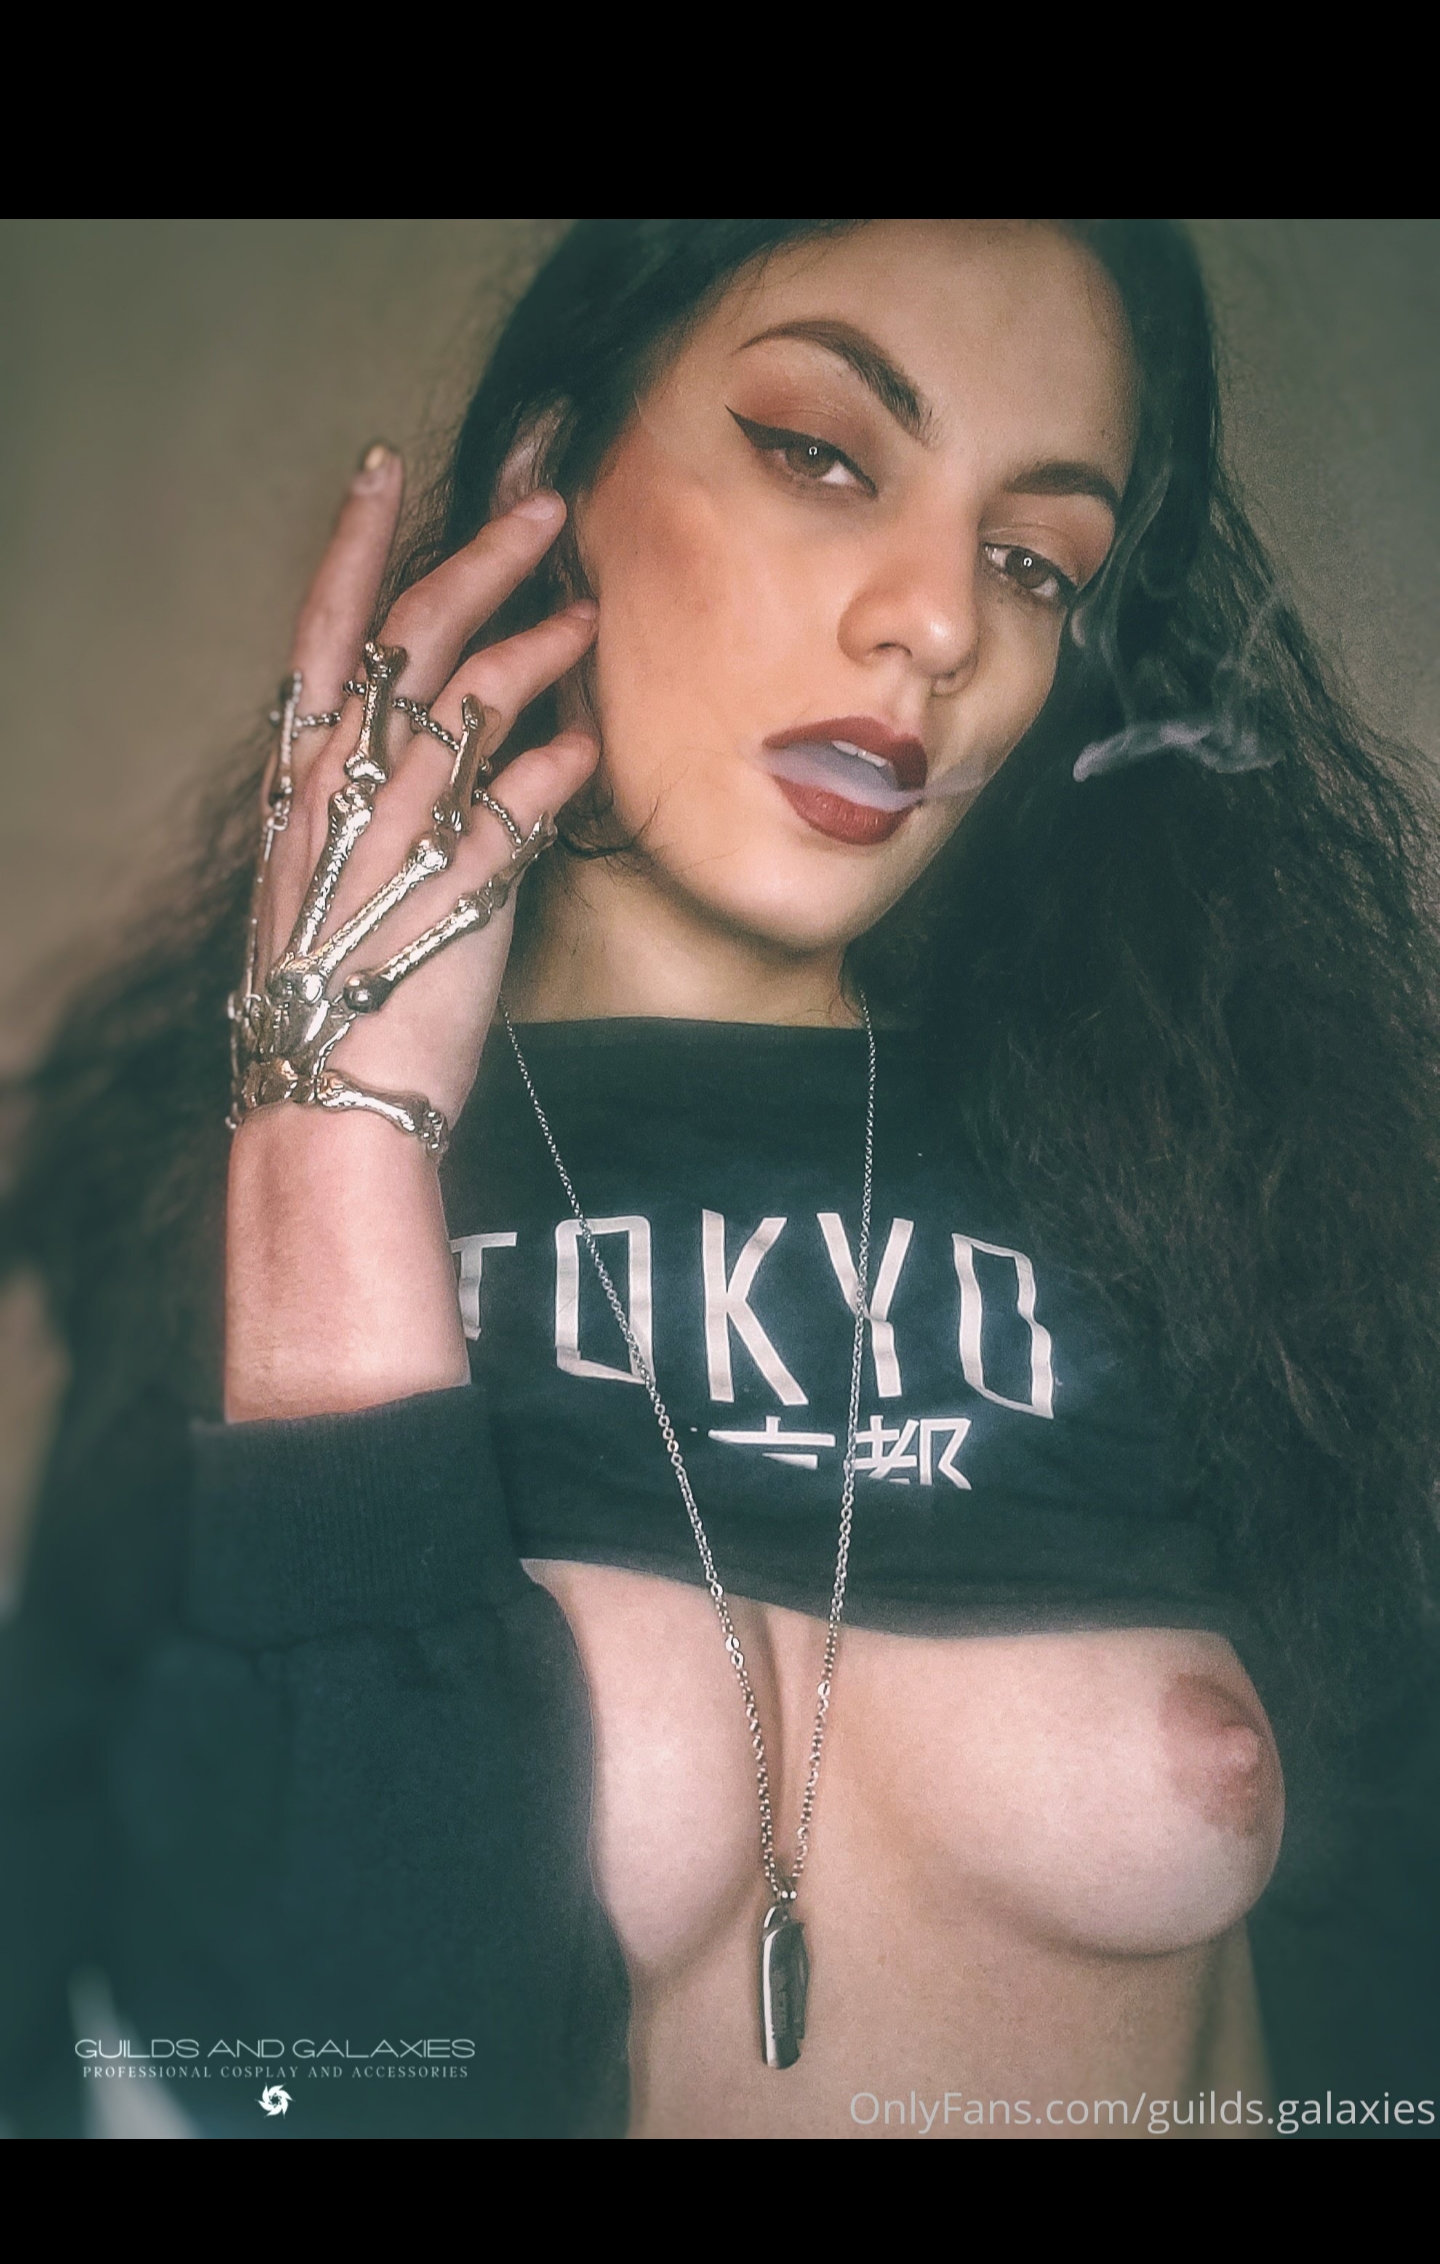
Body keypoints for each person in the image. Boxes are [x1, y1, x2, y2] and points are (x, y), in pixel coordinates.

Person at [3, 217, 1438, 2142]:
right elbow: (337, 2072)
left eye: (1032, 560)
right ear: (554, 475)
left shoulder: (1231, 1196)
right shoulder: (218, 1221)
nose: (938, 623)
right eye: (824, 453)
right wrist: (332, 1136)